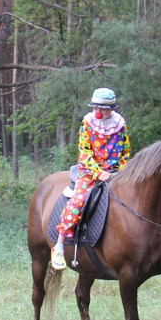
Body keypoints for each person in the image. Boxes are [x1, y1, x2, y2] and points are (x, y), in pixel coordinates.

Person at [51, 88, 131, 270]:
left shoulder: (120, 124)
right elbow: (85, 152)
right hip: (89, 171)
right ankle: (60, 246)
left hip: (115, 171)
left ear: (111, 109)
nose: (98, 111)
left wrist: (122, 169)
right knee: (78, 200)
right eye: (96, 107)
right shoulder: (87, 123)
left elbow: (125, 150)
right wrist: (97, 172)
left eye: (102, 108)